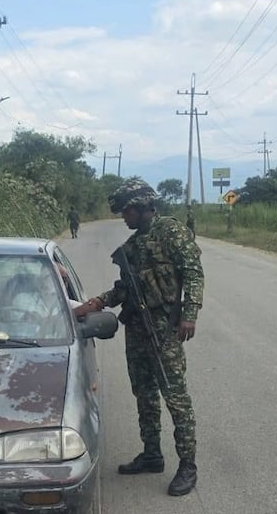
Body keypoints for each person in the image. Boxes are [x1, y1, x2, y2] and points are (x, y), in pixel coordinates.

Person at [74, 177, 204, 496]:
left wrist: (189, 314)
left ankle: (188, 465)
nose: (124, 217)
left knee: (175, 397)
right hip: (138, 330)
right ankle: (152, 454)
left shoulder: (170, 231)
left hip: (165, 330)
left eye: (127, 211)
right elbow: (124, 289)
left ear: (143, 206)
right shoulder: (132, 247)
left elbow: (193, 271)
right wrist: (98, 301)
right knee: (143, 393)